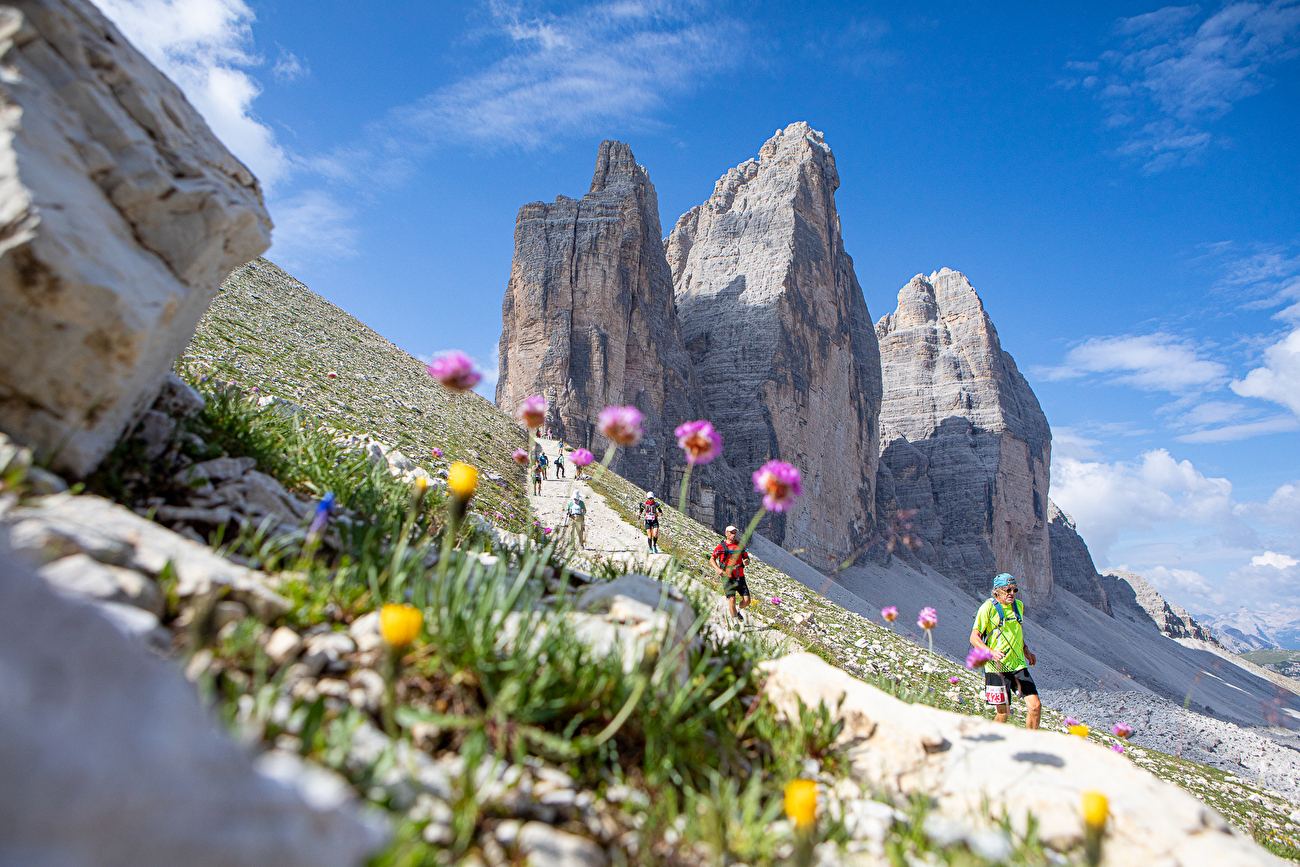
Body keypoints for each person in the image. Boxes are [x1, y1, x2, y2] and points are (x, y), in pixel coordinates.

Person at [969, 573, 1040, 729]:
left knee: (1035, 707)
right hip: (996, 668)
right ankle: (987, 741)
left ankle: (1031, 746)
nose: (1012, 594)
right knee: (1004, 713)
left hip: (1018, 665)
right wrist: (991, 652)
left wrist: (1026, 651)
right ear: (997, 591)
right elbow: (974, 638)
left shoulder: (1018, 606)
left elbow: (1017, 631)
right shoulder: (987, 608)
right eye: (1007, 590)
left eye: (1015, 590)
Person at [712, 525, 752, 623]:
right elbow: (712, 558)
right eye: (731, 533)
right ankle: (735, 623)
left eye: (735, 533)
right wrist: (718, 569)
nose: (733, 535)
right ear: (726, 534)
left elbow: (746, 557)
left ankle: (737, 610)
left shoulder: (740, 546)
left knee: (747, 601)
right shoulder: (721, 547)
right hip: (727, 577)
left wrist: (747, 561)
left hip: (740, 577)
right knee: (732, 599)